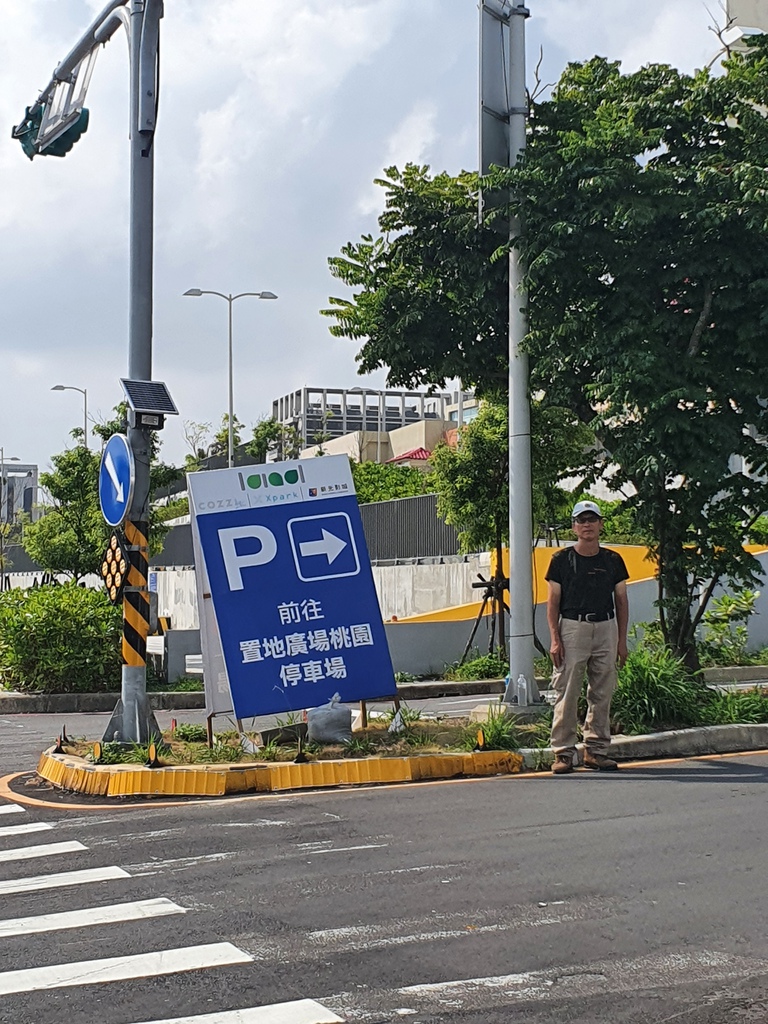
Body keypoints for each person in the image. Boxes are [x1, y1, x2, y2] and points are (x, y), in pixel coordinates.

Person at [545, 500, 629, 774]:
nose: (587, 525)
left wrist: (621, 640)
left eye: (592, 519)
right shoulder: (561, 560)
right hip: (573, 627)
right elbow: (552, 603)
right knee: (568, 691)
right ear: (574, 526)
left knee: (602, 691)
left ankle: (596, 750)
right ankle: (563, 753)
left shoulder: (613, 560)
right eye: (581, 520)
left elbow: (621, 600)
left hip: (605, 626)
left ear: (601, 524)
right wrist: (555, 639)